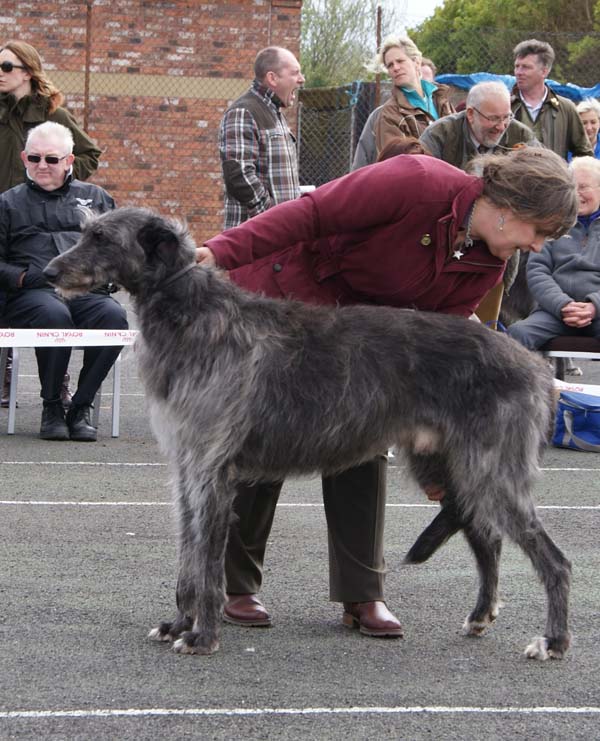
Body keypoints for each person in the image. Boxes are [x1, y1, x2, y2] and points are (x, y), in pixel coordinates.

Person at [197, 147, 577, 635]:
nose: (540, 246)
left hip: (365, 344)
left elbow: (437, 336)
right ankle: (238, 586)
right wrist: (223, 250)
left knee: (363, 445)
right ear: (510, 209)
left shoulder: (489, 265)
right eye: (540, 232)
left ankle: (362, 593)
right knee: (259, 442)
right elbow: (309, 214)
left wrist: (443, 462)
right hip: (287, 304)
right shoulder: (415, 181)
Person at [0, 121, 128, 442]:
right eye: (34, 158)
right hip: (31, 294)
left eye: (51, 159)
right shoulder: (7, 204)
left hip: (84, 291)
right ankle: (52, 405)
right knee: (53, 316)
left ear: (69, 161)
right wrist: (20, 277)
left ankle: (81, 406)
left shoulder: (96, 198)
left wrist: (109, 278)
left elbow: (117, 252)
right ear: (24, 158)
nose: (42, 165)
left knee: (115, 318)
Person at [0, 39, 103, 407]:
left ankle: (57, 388)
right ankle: (3, 377)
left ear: (27, 71)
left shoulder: (52, 114)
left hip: (33, 210)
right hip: (6, 212)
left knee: (46, 302)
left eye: (6, 67)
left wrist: (56, 180)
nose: (0, 73)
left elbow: (89, 153)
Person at [508, 156, 600, 349]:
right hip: (553, 312)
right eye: (572, 187)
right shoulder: (552, 225)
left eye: (583, 187)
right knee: (517, 334)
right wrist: (563, 305)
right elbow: (537, 271)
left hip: (598, 310)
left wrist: (594, 305)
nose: (576, 194)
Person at [219, 46, 304, 229]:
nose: (301, 79)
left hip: (279, 235)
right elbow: (238, 175)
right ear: (272, 78)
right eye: (295, 73)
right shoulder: (244, 111)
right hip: (254, 239)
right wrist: (273, 217)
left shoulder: (274, 112)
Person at [420, 81, 540, 170]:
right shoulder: (439, 134)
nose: (502, 127)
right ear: (471, 114)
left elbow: (545, 169)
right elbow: (420, 174)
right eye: (494, 118)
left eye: (506, 117)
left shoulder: (521, 135)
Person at [511, 39, 592, 160]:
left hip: (554, 178)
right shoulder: (505, 106)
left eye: (526, 67)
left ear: (544, 71)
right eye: (517, 66)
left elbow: (583, 152)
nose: (518, 72)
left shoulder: (565, 108)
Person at [374, 35, 453, 156]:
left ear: (416, 62)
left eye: (400, 61)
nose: (395, 68)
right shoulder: (390, 114)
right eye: (390, 65)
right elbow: (396, 163)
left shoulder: (441, 98)